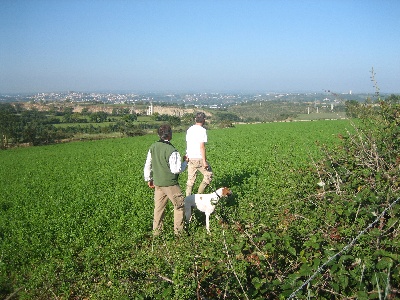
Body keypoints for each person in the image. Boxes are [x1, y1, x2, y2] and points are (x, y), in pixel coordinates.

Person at [144, 124, 188, 235]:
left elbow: (148, 165)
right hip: (170, 184)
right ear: (170, 135)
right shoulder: (172, 150)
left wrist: (149, 179)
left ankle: (156, 233)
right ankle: (179, 233)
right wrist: (185, 162)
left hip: (158, 183)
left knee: (158, 209)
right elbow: (176, 170)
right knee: (179, 206)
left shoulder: (153, 147)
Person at [185, 112, 213, 196]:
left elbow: (188, 143)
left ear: (195, 119)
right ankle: (199, 196)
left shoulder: (189, 129)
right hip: (198, 158)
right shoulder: (202, 130)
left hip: (190, 158)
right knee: (209, 175)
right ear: (204, 120)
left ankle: (188, 201)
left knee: (190, 180)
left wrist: (187, 155)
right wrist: (204, 161)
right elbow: (202, 147)